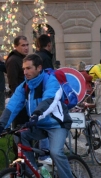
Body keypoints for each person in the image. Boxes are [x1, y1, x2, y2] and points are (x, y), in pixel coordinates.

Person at [0, 54, 82, 178]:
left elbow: (49, 100)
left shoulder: (50, 81)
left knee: (56, 152)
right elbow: (12, 106)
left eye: (28, 68)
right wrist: (0, 127)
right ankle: (35, 176)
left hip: (56, 124)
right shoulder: (25, 86)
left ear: (39, 68)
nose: (25, 72)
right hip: (37, 124)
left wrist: (36, 115)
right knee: (20, 136)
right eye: (23, 68)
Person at [35, 34, 54, 165]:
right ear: (48, 45)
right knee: (46, 122)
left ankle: (40, 152)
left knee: (38, 122)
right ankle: (44, 153)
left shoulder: (36, 57)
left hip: (36, 95)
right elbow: (49, 77)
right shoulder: (46, 58)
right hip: (45, 95)